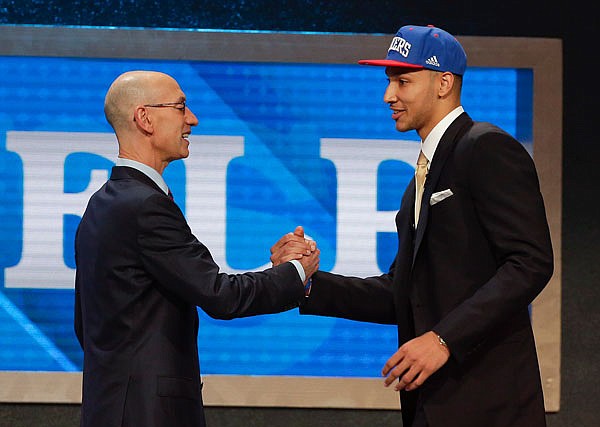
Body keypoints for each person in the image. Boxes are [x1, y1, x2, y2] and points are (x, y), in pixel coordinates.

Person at [271, 25, 553, 427]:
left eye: (403, 81)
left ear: (443, 83)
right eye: (389, 81)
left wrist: (444, 340)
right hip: (432, 406)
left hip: (490, 406)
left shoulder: (485, 147)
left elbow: (531, 262)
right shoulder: (420, 179)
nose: (389, 95)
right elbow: (401, 294)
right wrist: (305, 281)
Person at [74, 70, 319, 427]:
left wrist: (276, 272)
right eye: (181, 107)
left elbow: (86, 325)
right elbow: (221, 295)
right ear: (144, 118)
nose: (193, 119)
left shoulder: (104, 203)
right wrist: (297, 272)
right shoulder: (145, 206)